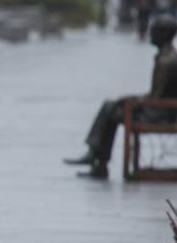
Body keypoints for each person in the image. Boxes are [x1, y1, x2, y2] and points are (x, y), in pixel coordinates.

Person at [65, 13, 177, 180]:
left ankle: (97, 158)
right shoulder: (168, 56)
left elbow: (155, 99)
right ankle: (97, 158)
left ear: (163, 34)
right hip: (165, 110)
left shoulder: (166, 62)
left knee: (112, 109)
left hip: (161, 114)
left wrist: (132, 101)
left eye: (153, 30)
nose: (150, 33)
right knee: (112, 106)